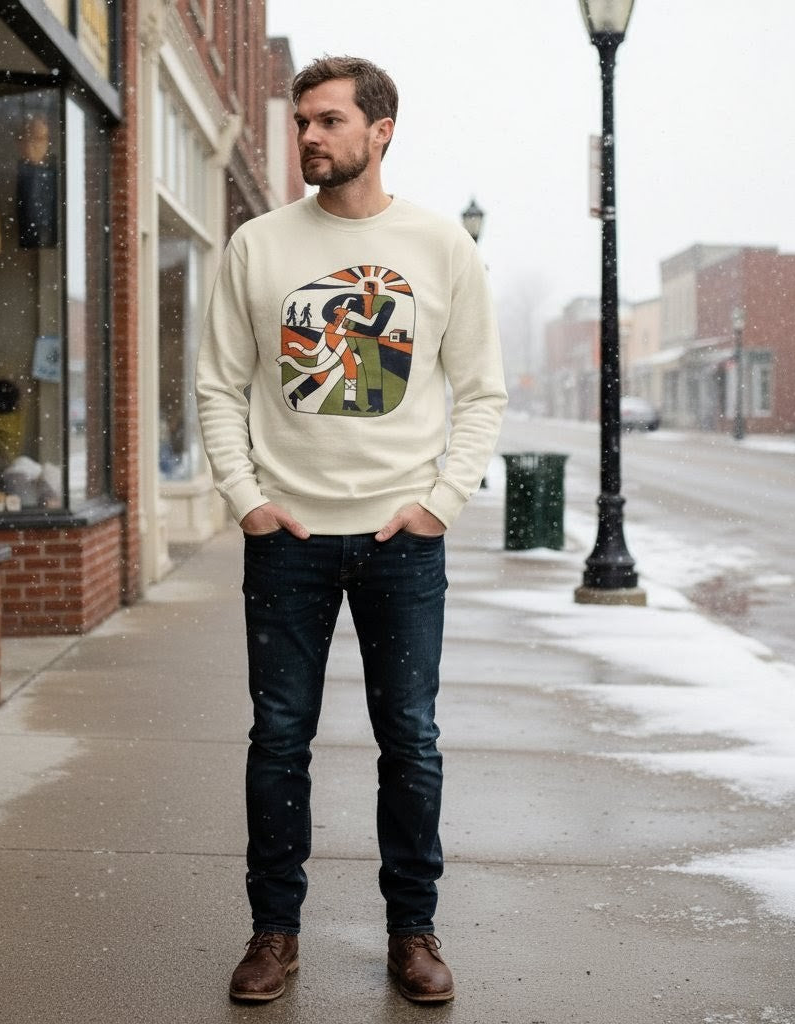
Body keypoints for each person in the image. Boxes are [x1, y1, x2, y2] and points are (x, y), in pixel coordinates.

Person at [195, 55, 506, 1005]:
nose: (308, 139)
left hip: (399, 544)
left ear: (381, 131)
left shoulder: (441, 246)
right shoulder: (258, 246)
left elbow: (481, 391)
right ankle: (273, 936)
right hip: (286, 540)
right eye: (300, 123)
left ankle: (413, 932)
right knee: (278, 741)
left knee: (409, 741)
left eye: (328, 122)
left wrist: (439, 505)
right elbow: (219, 386)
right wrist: (248, 500)